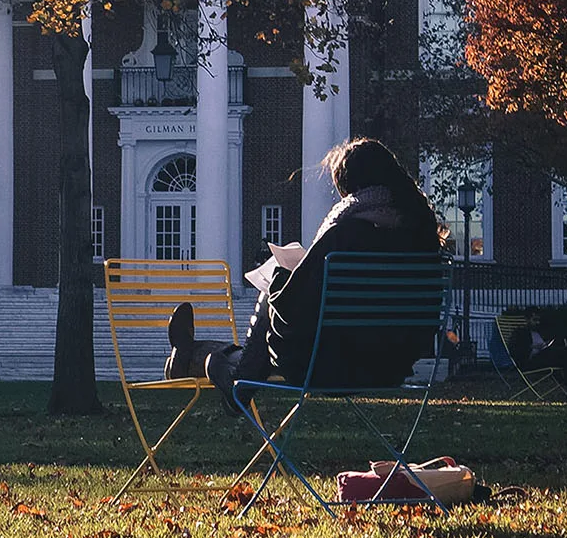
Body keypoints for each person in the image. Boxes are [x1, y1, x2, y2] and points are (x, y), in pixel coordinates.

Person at [165, 137, 446, 407]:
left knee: (273, 286)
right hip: (391, 368)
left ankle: (219, 370)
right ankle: (200, 359)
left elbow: (292, 312)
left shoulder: (344, 236)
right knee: (248, 348)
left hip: (325, 368)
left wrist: (276, 279)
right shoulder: (423, 239)